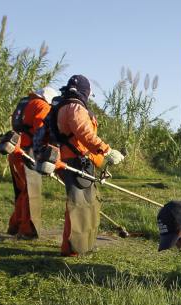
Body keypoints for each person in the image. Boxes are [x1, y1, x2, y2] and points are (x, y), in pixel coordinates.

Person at [53, 75, 124, 256]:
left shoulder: (65, 105)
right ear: (85, 91)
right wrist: (107, 150)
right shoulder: (75, 107)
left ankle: (79, 246)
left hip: (76, 160)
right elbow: (84, 133)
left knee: (84, 204)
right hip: (77, 161)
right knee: (80, 206)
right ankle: (75, 248)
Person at [7, 87, 57, 238]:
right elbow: (40, 131)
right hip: (29, 152)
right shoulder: (42, 106)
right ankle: (27, 230)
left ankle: (15, 225)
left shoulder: (25, 103)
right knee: (31, 192)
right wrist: (44, 154)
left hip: (15, 150)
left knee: (23, 191)